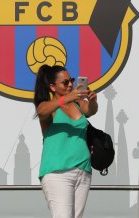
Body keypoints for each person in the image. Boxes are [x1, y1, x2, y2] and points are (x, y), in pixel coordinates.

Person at [34, 64, 98, 218]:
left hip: (83, 170)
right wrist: (66, 98)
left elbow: (91, 110)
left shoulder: (77, 104)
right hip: (58, 172)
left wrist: (93, 100)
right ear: (52, 87)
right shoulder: (48, 106)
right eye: (65, 82)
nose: (70, 85)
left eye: (72, 80)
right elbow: (41, 112)